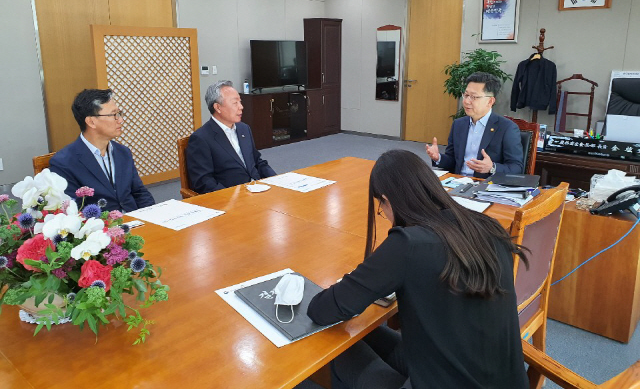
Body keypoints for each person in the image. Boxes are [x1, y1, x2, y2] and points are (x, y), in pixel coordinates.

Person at [307, 150, 528, 389]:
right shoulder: (486, 224)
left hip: (449, 378)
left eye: (381, 207)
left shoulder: (408, 244)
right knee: (361, 332)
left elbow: (323, 310)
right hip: (495, 376)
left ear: (387, 200)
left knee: (334, 349)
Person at [50, 89, 155, 212]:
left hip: (136, 222)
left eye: (119, 113)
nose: (120, 120)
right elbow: (74, 211)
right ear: (91, 122)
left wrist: (152, 217)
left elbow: (140, 193)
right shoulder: (64, 163)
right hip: (101, 227)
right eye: (113, 115)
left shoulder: (123, 152)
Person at [426, 72, 524, 178]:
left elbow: (517, 167)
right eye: (466, 95)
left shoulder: (507, 128)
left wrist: (492, 167)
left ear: (490, 101)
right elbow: (453, 161)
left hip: (485, 187)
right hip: (458, 183)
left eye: (473, 97)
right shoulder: (458, 124)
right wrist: (438, 158)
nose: (467, 101)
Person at [186, 81, 276, 193]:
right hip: (232, 197)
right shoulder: (201, 138)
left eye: (240, 102)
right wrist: (232, 199)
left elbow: (257, 161)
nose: (241, 107)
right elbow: (203, 181)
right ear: (217, 107)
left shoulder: (244, 128)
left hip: (259, 188)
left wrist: (277, 180)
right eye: (235, 103)